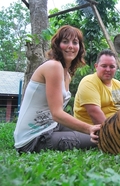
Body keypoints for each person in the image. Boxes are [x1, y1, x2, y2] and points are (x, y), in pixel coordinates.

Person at [14, 25, 101, 153]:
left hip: (52, 126)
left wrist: (89, 128)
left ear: (80, 47)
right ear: (57, 45)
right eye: (65, 42)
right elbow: (57, 113)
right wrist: (89, 128)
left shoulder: (67, 75)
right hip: (33, 139)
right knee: (99, 140)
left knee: (98, 134)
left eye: (75, 42)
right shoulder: (53, 66)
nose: (70, 46)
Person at [74, 49, 120, 125]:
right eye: (104, 66)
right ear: (96, 66)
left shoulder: (119, 85)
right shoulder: (89, 82)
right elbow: (95, 115)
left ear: (116, 68)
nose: (108, 69)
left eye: (112, 67)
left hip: (118, 127)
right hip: (92, 131)